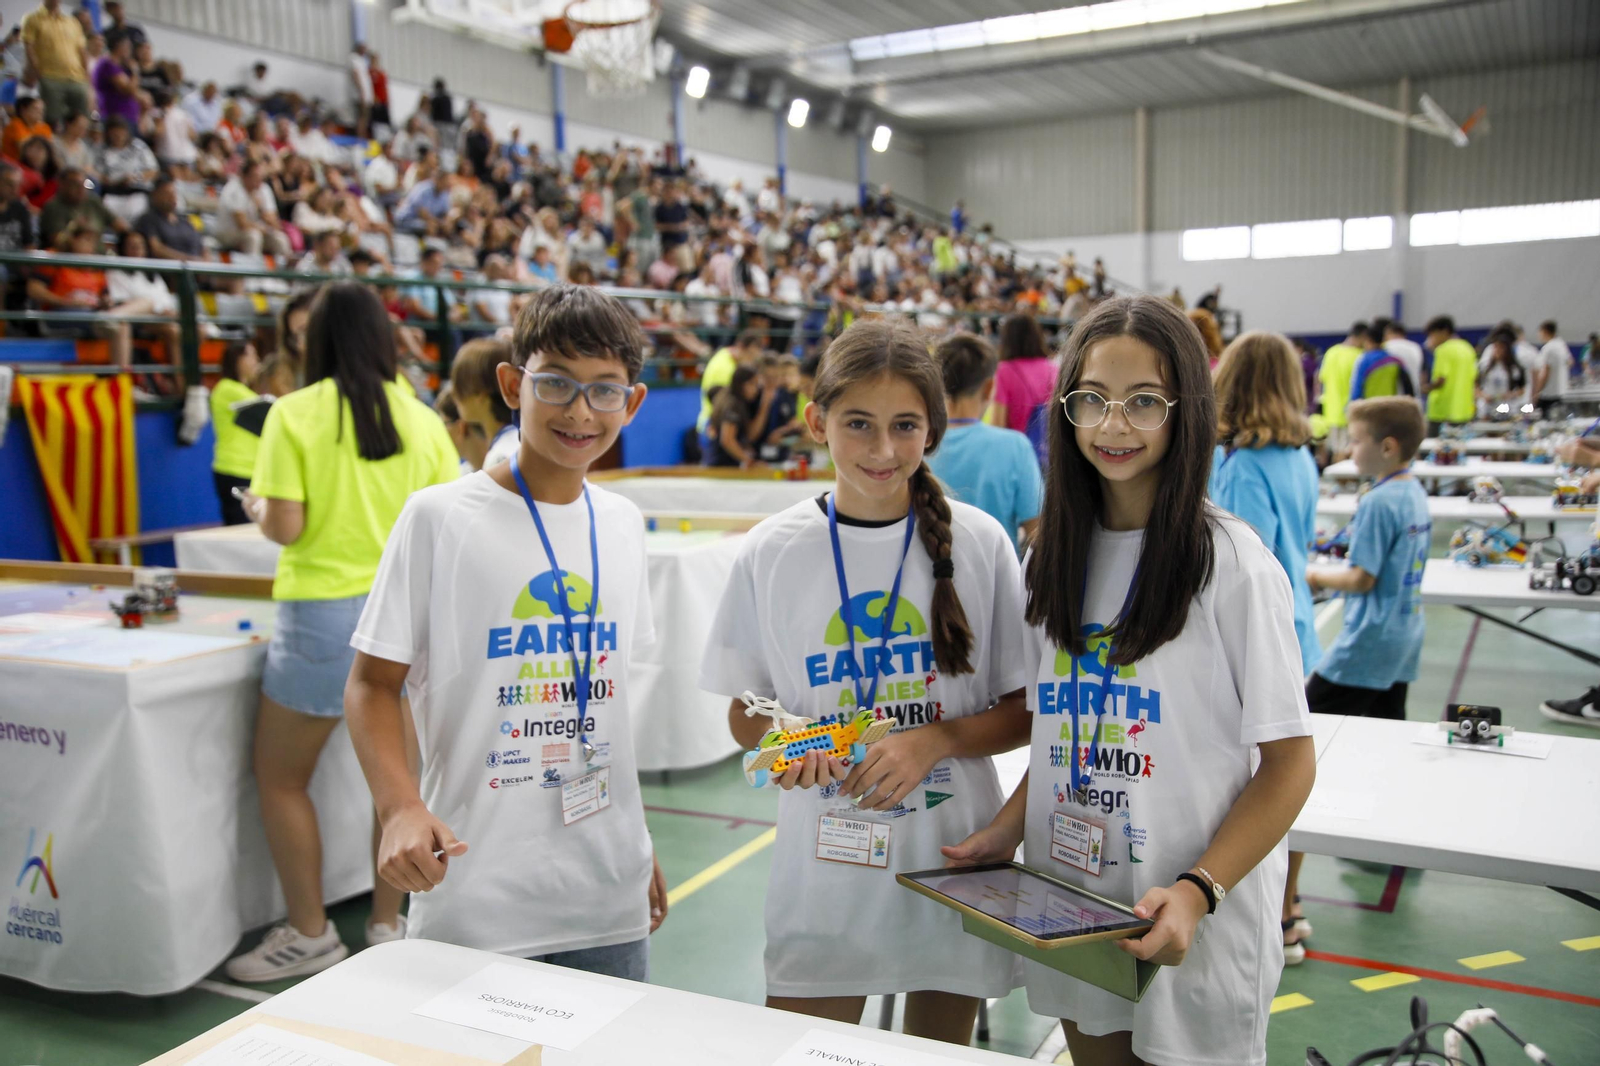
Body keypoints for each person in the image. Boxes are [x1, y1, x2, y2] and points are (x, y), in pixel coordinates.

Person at [942, 295, 1316, 1066]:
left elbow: (1289, 764)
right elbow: (1064, 729)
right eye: (1094, 401)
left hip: (1189, 916)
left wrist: (1198, 889)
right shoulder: (1052, 559)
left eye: (1144, 402)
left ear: (1188, 410)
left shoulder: (1233, 564)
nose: (1114, 426)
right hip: (1076, 898)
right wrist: (1009, 829)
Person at [699, 317, 1031, 1044]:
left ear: (933, 429)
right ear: (817, 421)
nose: (883, 450)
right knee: (804, 1047)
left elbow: (1025, 710)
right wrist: (785, 739)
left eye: (905, 425)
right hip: (825, 864)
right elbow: (743, 710)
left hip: (952, 855)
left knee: (937, 1052)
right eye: (858, 424)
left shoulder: (979, 543)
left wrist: (935, 740)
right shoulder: (774, 550)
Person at [346, 284, 667, 980]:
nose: (580, 411)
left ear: (632, 404)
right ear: (512, 384)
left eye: (604, 390)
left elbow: (607, 710)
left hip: (606, 887)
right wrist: (400, 808)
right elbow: (373, 684)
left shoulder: (622, 524)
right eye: (555, 384)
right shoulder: (438, 518)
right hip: (475, 887)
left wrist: (635, 842)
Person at [223, 282, 460, 982]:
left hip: (323, 616)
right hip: (405, 620)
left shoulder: (293, 414)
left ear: (310, 341)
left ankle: (309, 932)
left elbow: (286, 526)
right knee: (399, 787)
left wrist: (261, 506)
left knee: (281, 778)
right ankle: (388, 925)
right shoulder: (420, 419)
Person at [928, 332, 1042, 556]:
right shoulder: (1015, 447)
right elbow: (1036, 532)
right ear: (989, 388)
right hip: (996, 581)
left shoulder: (918, 445)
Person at [990, 313, 1056, 464]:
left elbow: (998, 424)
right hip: (1049, 453)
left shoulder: (1004, 370)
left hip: (1017, 455)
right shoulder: (1052, 368)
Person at [211, 340, 262, 525]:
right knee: (240, 527)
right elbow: (269, 406)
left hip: (250, 470)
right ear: (238, 359)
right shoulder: (227, 388)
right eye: (252, 355)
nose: (257, 360)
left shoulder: (242, 390)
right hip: (234, 470)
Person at [450, 337, 518, 469]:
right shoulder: (519, 441)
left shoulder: (501, 457)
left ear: (481, 394)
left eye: (460, 385)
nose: (454, 395)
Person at [21, 0, 91, 128]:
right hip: (50, 77)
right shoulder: (32, 19)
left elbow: (82, 50)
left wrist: (86, 75)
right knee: (52, 120)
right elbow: (29, 47)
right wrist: (38, 71)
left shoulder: (72, 22)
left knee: (81, 119)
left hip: (77, 78)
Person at [215, 160, 292, 257]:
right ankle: (252, 270)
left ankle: (283, 270)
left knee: (280, 239)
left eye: (261, 176)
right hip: (228, 233)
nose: (259, 180)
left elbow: (274, 222)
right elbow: (242, 224)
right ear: (245, 176)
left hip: (256, 230)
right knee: (254, 237)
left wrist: (261, 210)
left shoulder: (264, 189)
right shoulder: (234, 189)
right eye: (255, 176)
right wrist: (262, 228)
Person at [696, 328, 762, 434]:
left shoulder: (724, 354)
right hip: (713, 426)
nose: (751, 362)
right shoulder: (726, 369)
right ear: (740, 347)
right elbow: (722, 406)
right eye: (750, 355)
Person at [96, 116, 158, 224]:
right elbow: (97, 175)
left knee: (139, 212)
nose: (118, 136)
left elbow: (154, 171)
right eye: (114, 133)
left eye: (121, 132)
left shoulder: (138, 146)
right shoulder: (102, 150)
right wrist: (115, 182)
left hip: (137, 191)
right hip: (112, 193)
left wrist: (136, 177)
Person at [1423, 315, 1477, 436]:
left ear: (1444, 331)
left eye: (1432, 335)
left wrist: (1425, 388)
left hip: (1441, 412)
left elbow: (1441, 380)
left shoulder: (1442, 350)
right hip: (1464, 410)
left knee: (1433, 450)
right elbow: (1474, 377)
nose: (1431, 339)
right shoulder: (1467, 348)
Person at [1318, 323, 1365, 457]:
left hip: (1330, 411)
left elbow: (1321, 379)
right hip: (1349, 411)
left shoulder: (1331, 352)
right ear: (1361, 337)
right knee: (1347, 454)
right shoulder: (1359, 356)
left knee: (1336, 452)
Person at [702, 365, 761, 468]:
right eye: (751, 384)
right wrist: (750, 461)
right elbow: (727, 440)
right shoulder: (733, 405)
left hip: (720, 463)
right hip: (721, 467)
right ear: (740, 384)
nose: (755, 389)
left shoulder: (734, 401)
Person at [135, 176, 205, 261]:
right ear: (155, 195)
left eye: (174, 193)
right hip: (168, 270)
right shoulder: (148, 220)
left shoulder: (186, 221)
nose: (172, 197)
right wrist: (188, 261)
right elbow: (157, 249)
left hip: (196, 268)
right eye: (167, 194)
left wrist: (205, 263)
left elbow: (203, 247)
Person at [1349, 321, 1416, 400]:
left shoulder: (1364, 360)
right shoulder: (1395, 361)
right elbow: (1408, 388)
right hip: (1389, 406)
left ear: (1368, 340)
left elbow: (1357, 388)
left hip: (1369, 407)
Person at [1532, 320, 1571, 418]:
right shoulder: (1561, 345)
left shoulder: (1548, 348)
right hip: (1561, 392)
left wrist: (1536, 391)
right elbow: (1570, 362)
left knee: (1545, 423)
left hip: (1548, 394)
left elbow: (1545, 372)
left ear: (1544, 331)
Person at [2, 93, 51, 162]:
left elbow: (50, 152)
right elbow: (26, 150)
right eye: (36, 109)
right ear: (23, 109)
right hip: (12, 165)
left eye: (42, 110)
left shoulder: (44, 127)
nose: (40, 112)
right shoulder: (15, 124)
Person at [1382, 321, 1425, 398]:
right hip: (1413, 398)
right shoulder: (1416, 348)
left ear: (1388, 333)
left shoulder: (1384, 347)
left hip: (1391, 398)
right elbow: (1422, 372)